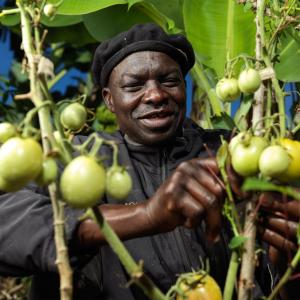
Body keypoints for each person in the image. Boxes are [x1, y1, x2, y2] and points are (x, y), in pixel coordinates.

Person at [0, 23, 299, 300]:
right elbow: (9, 225)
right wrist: (146, 214)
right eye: (134, 86)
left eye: (169, 81)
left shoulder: (231, 152)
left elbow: (267, 279)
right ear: (108, 99)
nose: (156, 95)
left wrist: (284, 263)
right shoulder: (78, 158)